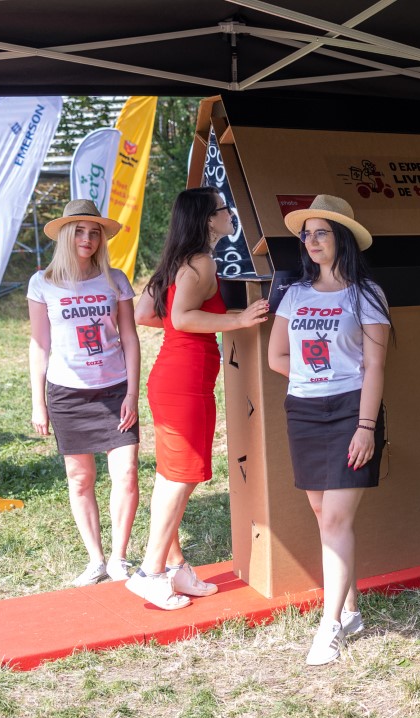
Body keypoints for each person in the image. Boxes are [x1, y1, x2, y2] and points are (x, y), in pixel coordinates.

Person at [129, 186, 269, 610]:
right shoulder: (201, 263)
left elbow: (145, 314)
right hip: (184, 383)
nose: (230, 214)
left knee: (172, 477)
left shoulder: (180, 261)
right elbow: (182, 316)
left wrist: (221, 318)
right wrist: (237, 320)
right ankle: (150, 573)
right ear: (209, 220)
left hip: (174, 379)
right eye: (224, 209)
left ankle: (175, 567)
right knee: (181, 478)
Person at [267, 194, 391, 665]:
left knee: (336, 520)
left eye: (321, 232)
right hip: (303, 412)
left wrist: (366, 426)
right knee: (324, 516)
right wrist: (311, 379)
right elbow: (277, 356)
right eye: (307, 234)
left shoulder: (367, 294)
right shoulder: (295, 294)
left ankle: (329, 626)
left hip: (350, 412)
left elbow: (376, 366)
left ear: (342, 238)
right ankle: (352, 610)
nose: (311, 241)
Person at [27, 200, 140, 586]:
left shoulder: (115, 279)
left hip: (114, 391)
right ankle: (96, 560)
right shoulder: (42, 282)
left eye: (94, 232)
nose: (88, 239)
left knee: (127, 474)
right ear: (64, 235)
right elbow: (39, 345)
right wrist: (38, 403)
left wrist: (132, 393)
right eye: (79, 231)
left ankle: (119, 558)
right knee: (80, 478)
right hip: (67, 394)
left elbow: (130, 338)